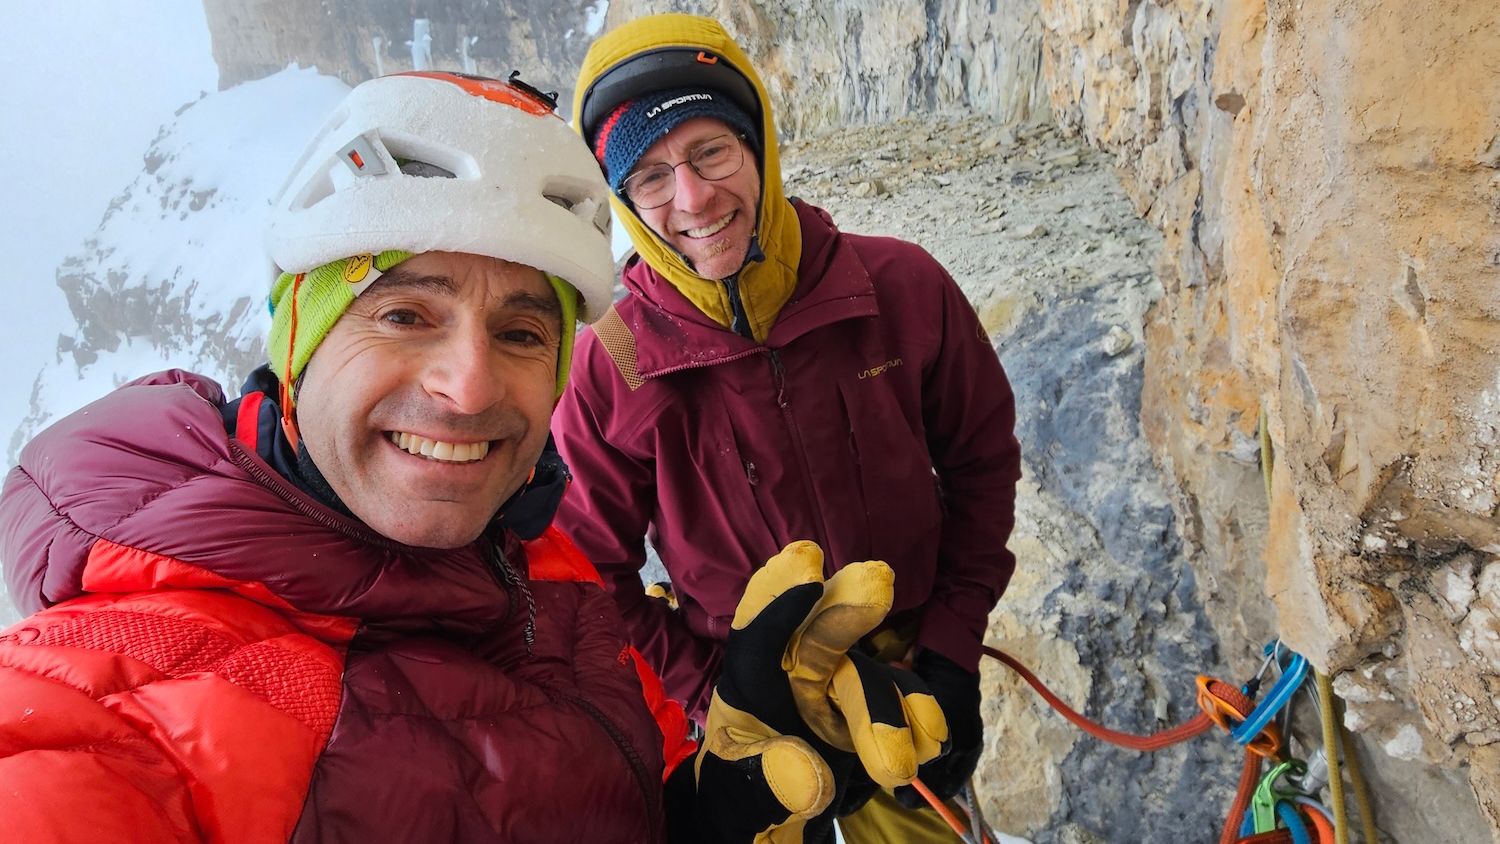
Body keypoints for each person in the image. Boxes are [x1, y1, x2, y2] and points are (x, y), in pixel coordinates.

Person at [0, 71, 946, 843]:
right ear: (298, 340)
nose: (469, 386)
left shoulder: (540, 569)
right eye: (405, 314)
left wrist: (696, 807)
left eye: (524, 332)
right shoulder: (109, 704)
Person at [555, 13, 1023, 841]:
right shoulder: (611, 365)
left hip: (903, 667)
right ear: (623, 200)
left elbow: (981, 465)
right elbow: (591, 577)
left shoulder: (900, 287)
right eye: (652, 177)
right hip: (744, 695)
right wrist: (713, 696)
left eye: (711, 153)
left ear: (759, 147)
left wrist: (950, 652)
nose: (693, 199)